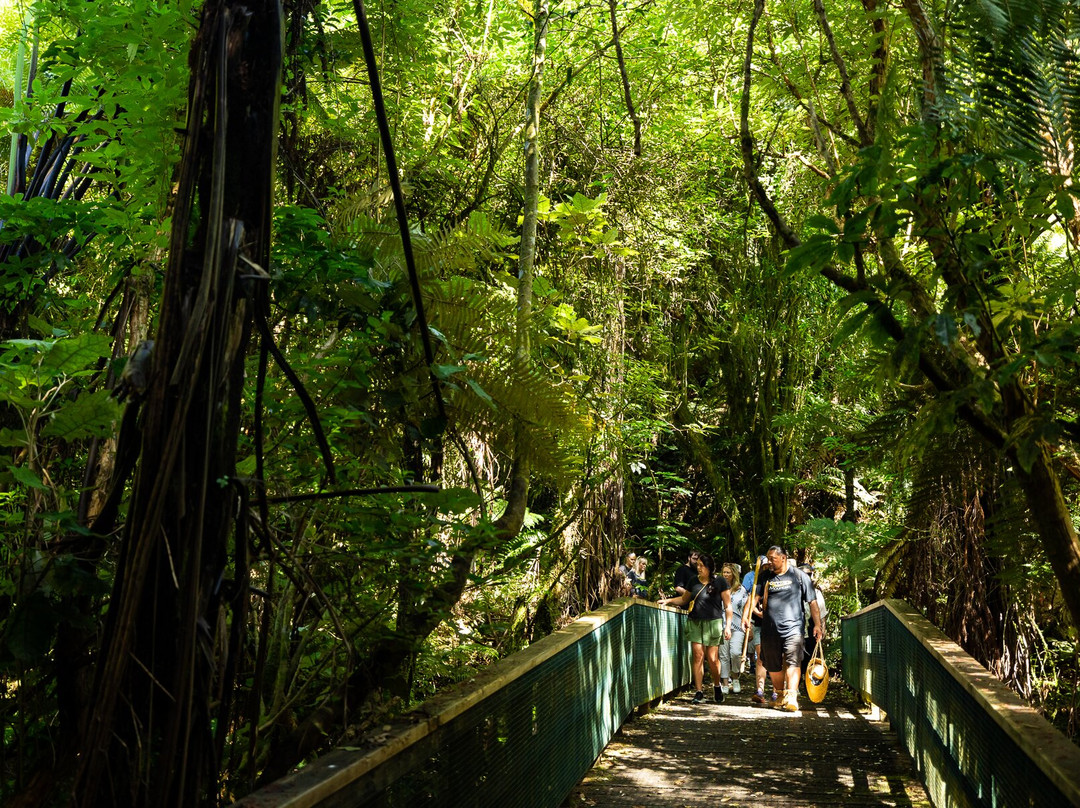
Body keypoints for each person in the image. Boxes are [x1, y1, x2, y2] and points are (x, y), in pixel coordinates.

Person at [743, 545, 823, 713]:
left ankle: (792, 695)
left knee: (793, 660)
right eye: (768, 558)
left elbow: (813, 602)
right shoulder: (765, 577)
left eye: (773, 559)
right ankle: (779, 694)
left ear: (783, 558)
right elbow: (753, 598)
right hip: (769, 630)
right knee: (773, 665)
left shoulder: (799, 576)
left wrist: (817, 625)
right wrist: (746, 617)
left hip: (793, 628)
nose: (769, 562)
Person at [659, 553, 733, 704]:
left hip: (714, 622)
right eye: (697, 565)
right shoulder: (693, 580)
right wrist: (669, 601)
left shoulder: (720, 581)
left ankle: (717, 685)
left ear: (709, 567)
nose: (698, 568)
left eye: (702, 566)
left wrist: (728, 627)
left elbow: (728, 606)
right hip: (695, 621)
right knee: (698, 655)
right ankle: (699, 691)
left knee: (712, 659)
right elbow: (684, 599)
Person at [718, 563, 747, 694]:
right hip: (722, 624)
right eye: (724, 572)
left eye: (728, 572)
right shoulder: (718, 588)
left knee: (735, 653)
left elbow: (747, 608)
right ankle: (724, 682)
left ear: (734, 574)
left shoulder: (742, 590)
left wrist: (747, 624)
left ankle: (735, 677)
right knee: (723, 655)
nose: (725, 575)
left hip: (737, 625)